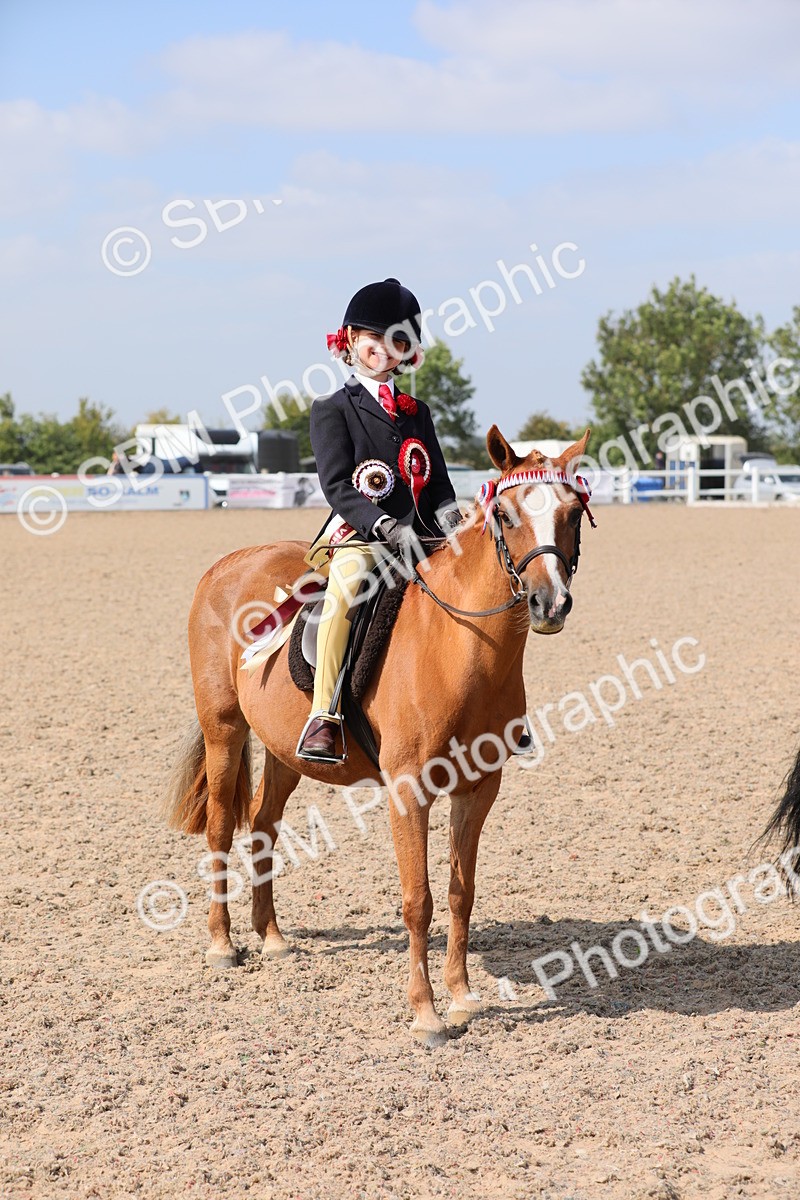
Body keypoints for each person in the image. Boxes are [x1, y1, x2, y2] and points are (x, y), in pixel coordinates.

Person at [296, 277, 461, 763]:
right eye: (376, 339)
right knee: (345, 594)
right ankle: (323, 715)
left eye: (399, 341)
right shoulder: (333, 409)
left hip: (424, 537)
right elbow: (338, 486)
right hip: (363, 537)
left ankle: (497, 710)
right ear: (350, 340)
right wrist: (383, 526)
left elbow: (440, 485)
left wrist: (456, 525)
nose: (386, 350)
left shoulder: (418, 413)